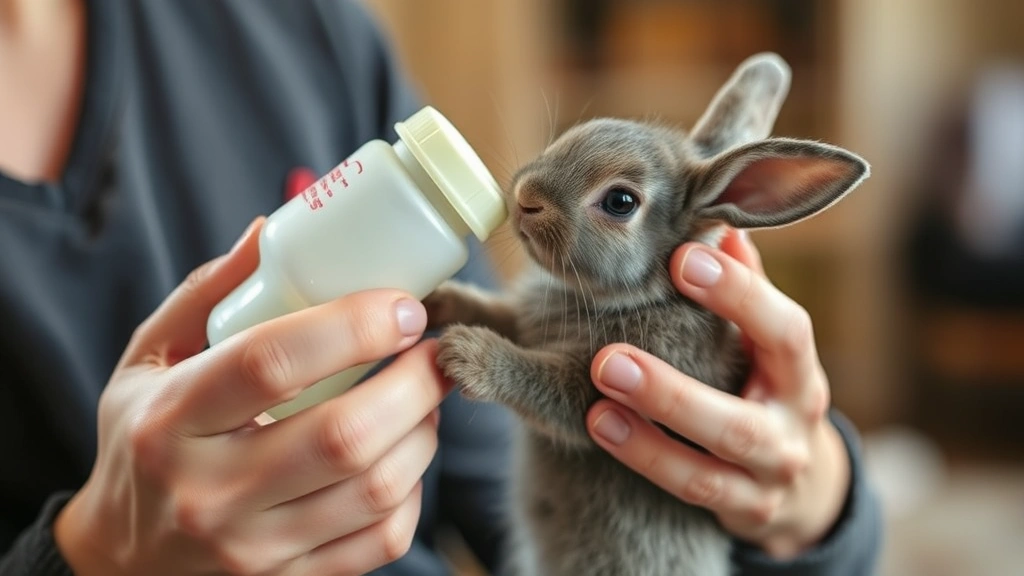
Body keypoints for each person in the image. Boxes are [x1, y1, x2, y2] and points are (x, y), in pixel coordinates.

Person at [0, 1, 881, 574]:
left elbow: (492, 465)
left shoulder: (301, 30)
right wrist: (87, 557)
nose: (522, 193)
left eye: (614, 202)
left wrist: (805, 502)